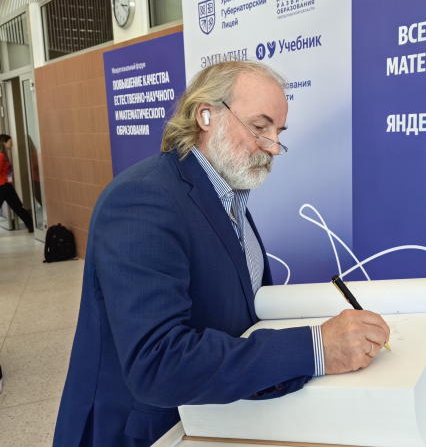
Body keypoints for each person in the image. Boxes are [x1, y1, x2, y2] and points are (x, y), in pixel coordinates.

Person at [53, 61, 390, 447]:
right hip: (146, 431)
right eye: (259, 127)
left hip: (215, 417)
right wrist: (317, 348)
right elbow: (157, 363)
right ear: (206, 115)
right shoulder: (143, 199)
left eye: (279, 133)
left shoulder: (227, 194)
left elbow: (236, 310)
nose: (273, 147)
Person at [0, 134, 34, 233]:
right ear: (4, 143)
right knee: (18, 207)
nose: (12, 144)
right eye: (10, 142)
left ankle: (31, 226)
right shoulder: (1, 156)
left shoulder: (5, 155)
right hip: (2, 186)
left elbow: (7, 170)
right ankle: (31, 225)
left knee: (18, 207)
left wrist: (10, 180)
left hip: (7, 186)